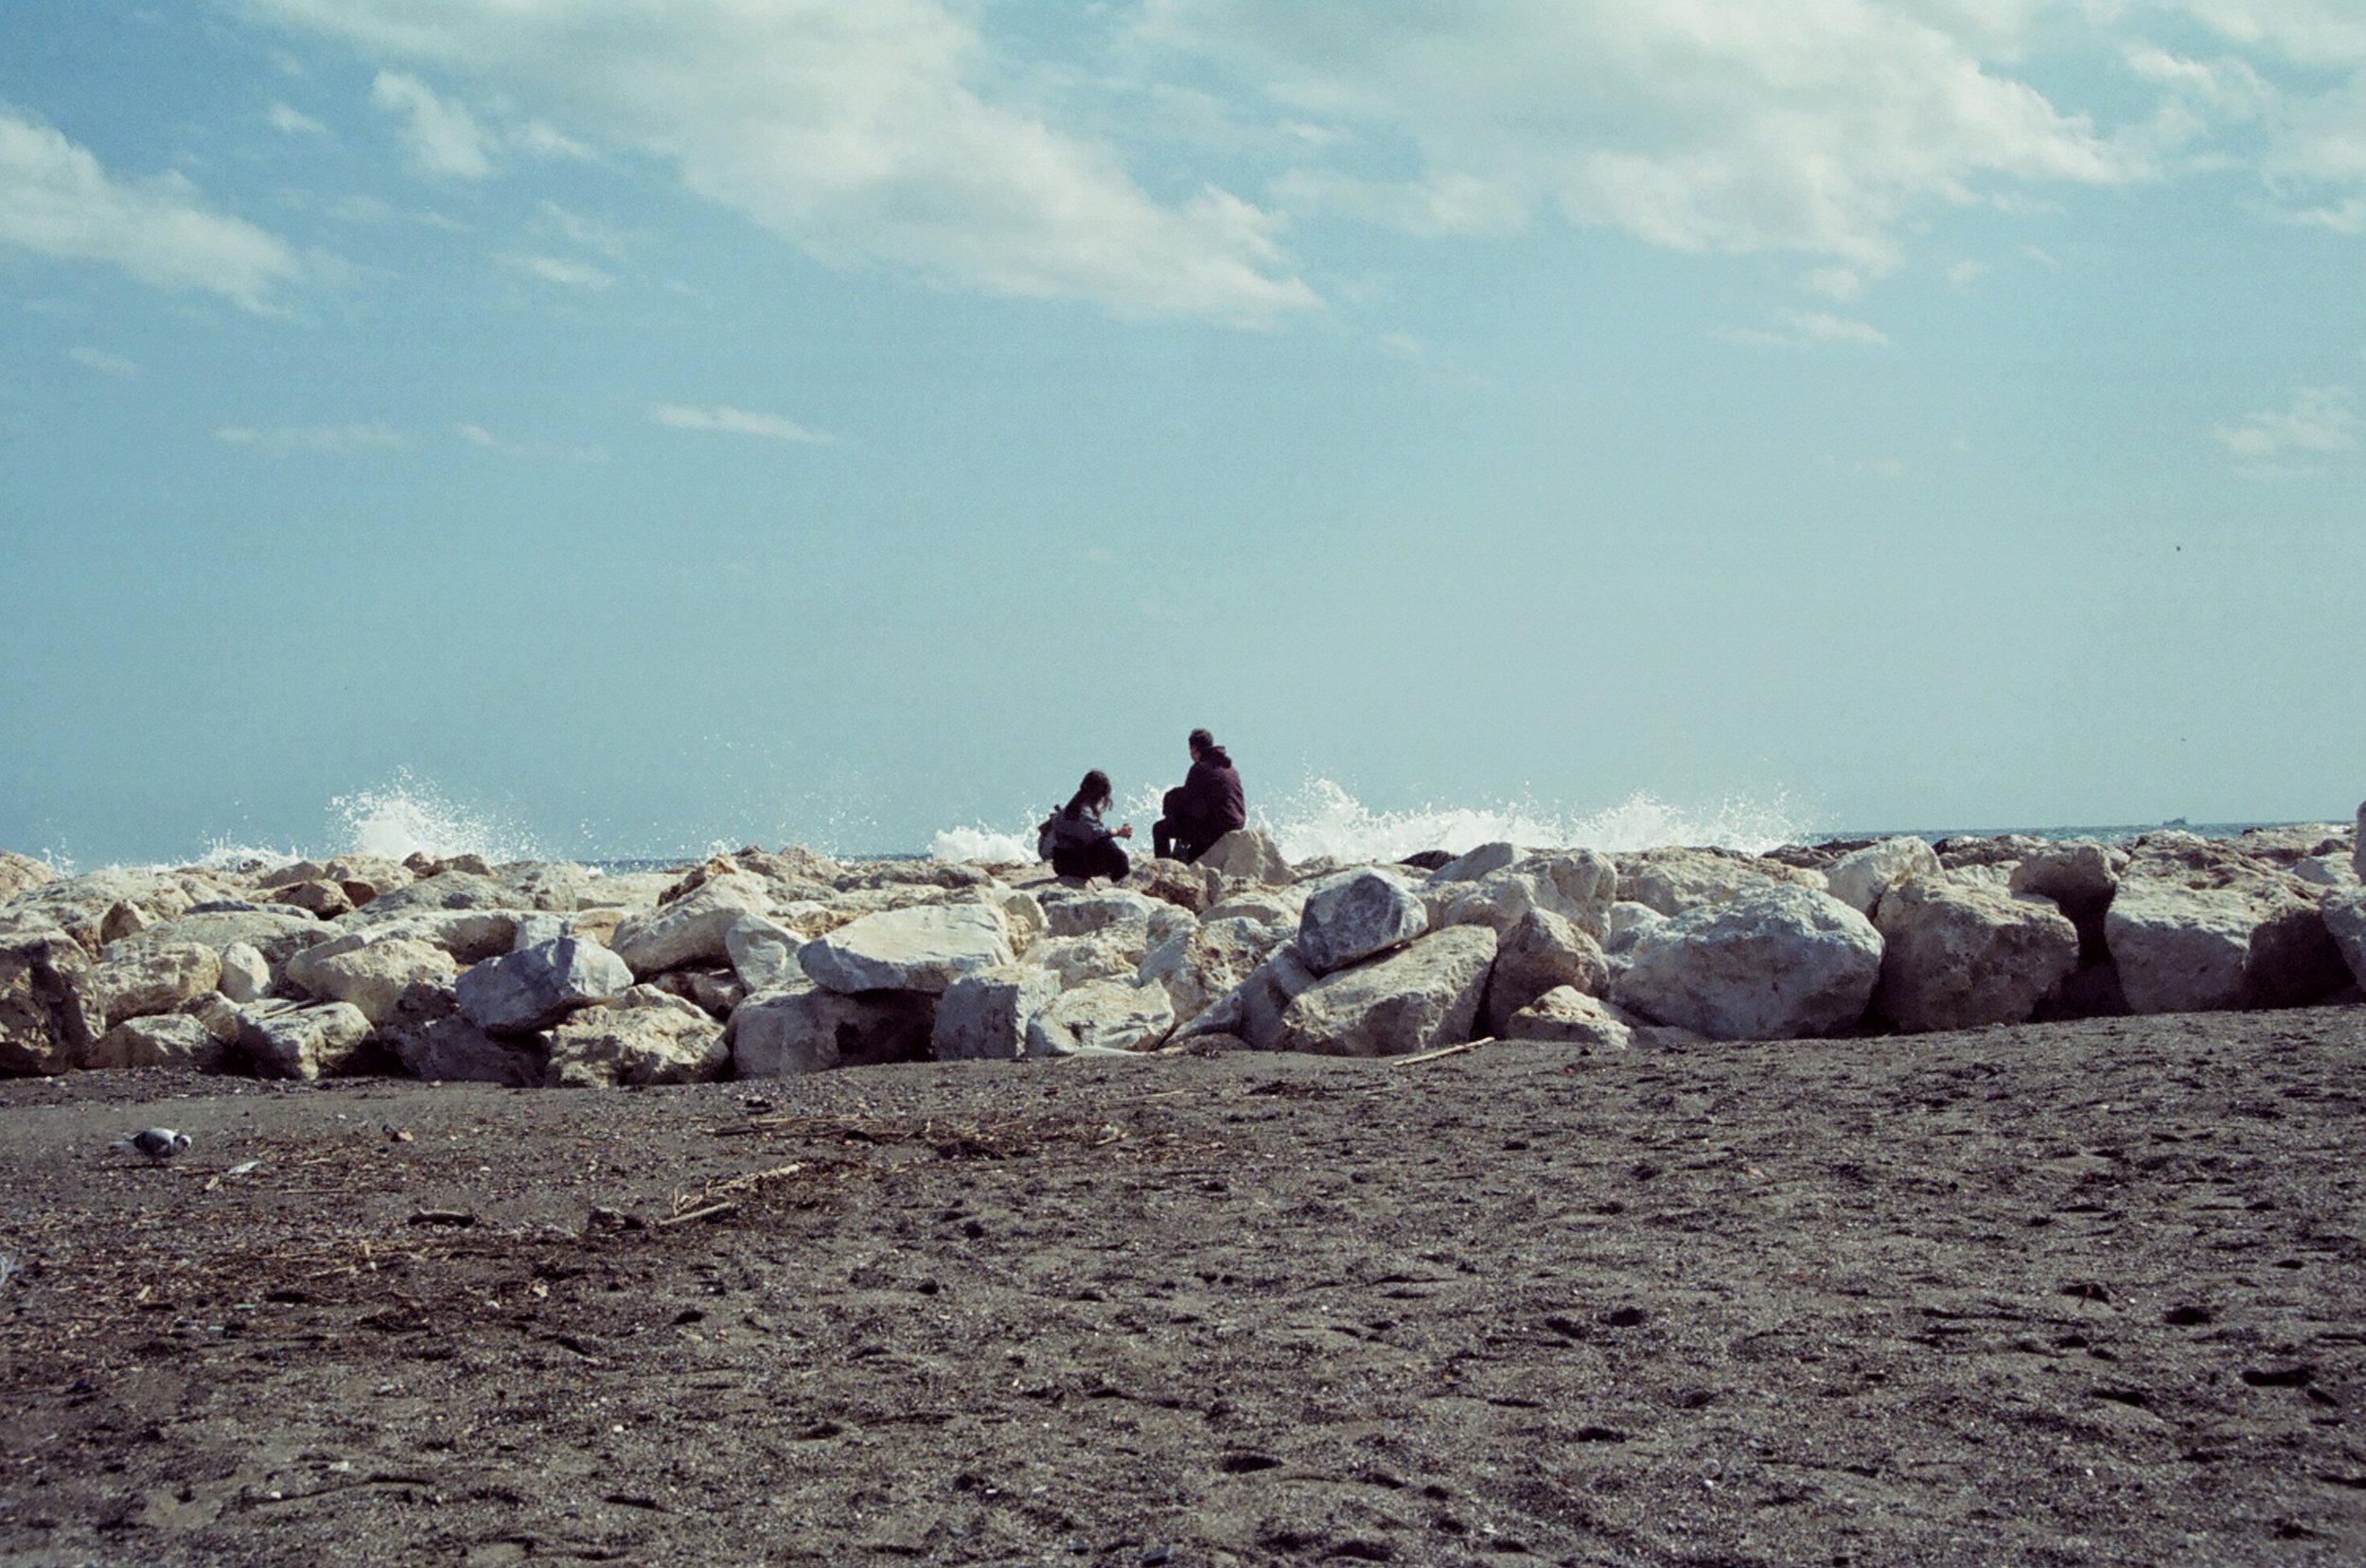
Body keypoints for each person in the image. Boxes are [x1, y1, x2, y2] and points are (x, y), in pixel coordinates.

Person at [1154, 728, 1246, 864]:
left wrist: (1168, 804)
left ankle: (1164, 868)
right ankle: (1182, 861)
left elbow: (1186, 798)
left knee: (1160, 828)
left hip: (1216, 828)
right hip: (1236, 823)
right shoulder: (1230, 768)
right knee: (1190, 829)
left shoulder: (1200, 768)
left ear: (1194, 749)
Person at [1043, 769, 1133, 881]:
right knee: (1117, 855)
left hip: (1061, 864)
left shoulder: (1066, 811)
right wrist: (1119, 831)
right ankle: (1122, 888)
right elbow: (1097, 834)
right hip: (1073, 865)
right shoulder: (1081, 811)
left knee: (1105, 843)